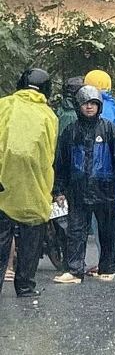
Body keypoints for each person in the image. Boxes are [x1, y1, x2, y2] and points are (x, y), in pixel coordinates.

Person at [53, 85, 115, 284]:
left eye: (93, 103)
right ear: (78, 105)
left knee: (107, 230)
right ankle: (74, 270)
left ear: (99, 106)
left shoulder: (109, 129)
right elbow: (61, 163)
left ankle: (107, 267)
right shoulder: (70, 132)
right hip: (78, 190)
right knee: (76, 231)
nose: (89, 107)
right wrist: (59, 189)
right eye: (85, 104)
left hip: (104, 189)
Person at [0, 69, 58, 298]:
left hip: (3, 185)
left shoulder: (4, 105)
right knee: (32, 238)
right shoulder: (48, 116)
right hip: (34, 187)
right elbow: (48, 156)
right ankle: (24, 285)